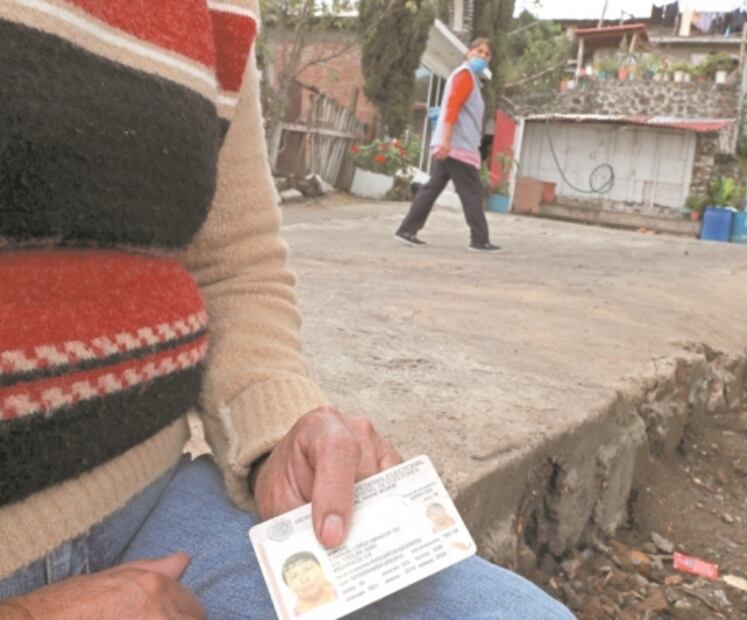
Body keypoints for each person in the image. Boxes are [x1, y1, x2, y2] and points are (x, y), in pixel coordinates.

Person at [0, 2, 570, 619]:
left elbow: (233, 265)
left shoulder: (218, 11)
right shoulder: (462, 80)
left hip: (157, 502)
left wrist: (279, 430)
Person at [394, 38, 503, 253]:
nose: (482, 56)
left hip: (452, 144)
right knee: (472, 192)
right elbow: (453, 106)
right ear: (468, 53)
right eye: (478, 51)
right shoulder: (464, 76)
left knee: (432, 187)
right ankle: (479, 240)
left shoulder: (470, 78)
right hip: (456, 146)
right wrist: (445, 140)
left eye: (486, 54)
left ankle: (407, 230)